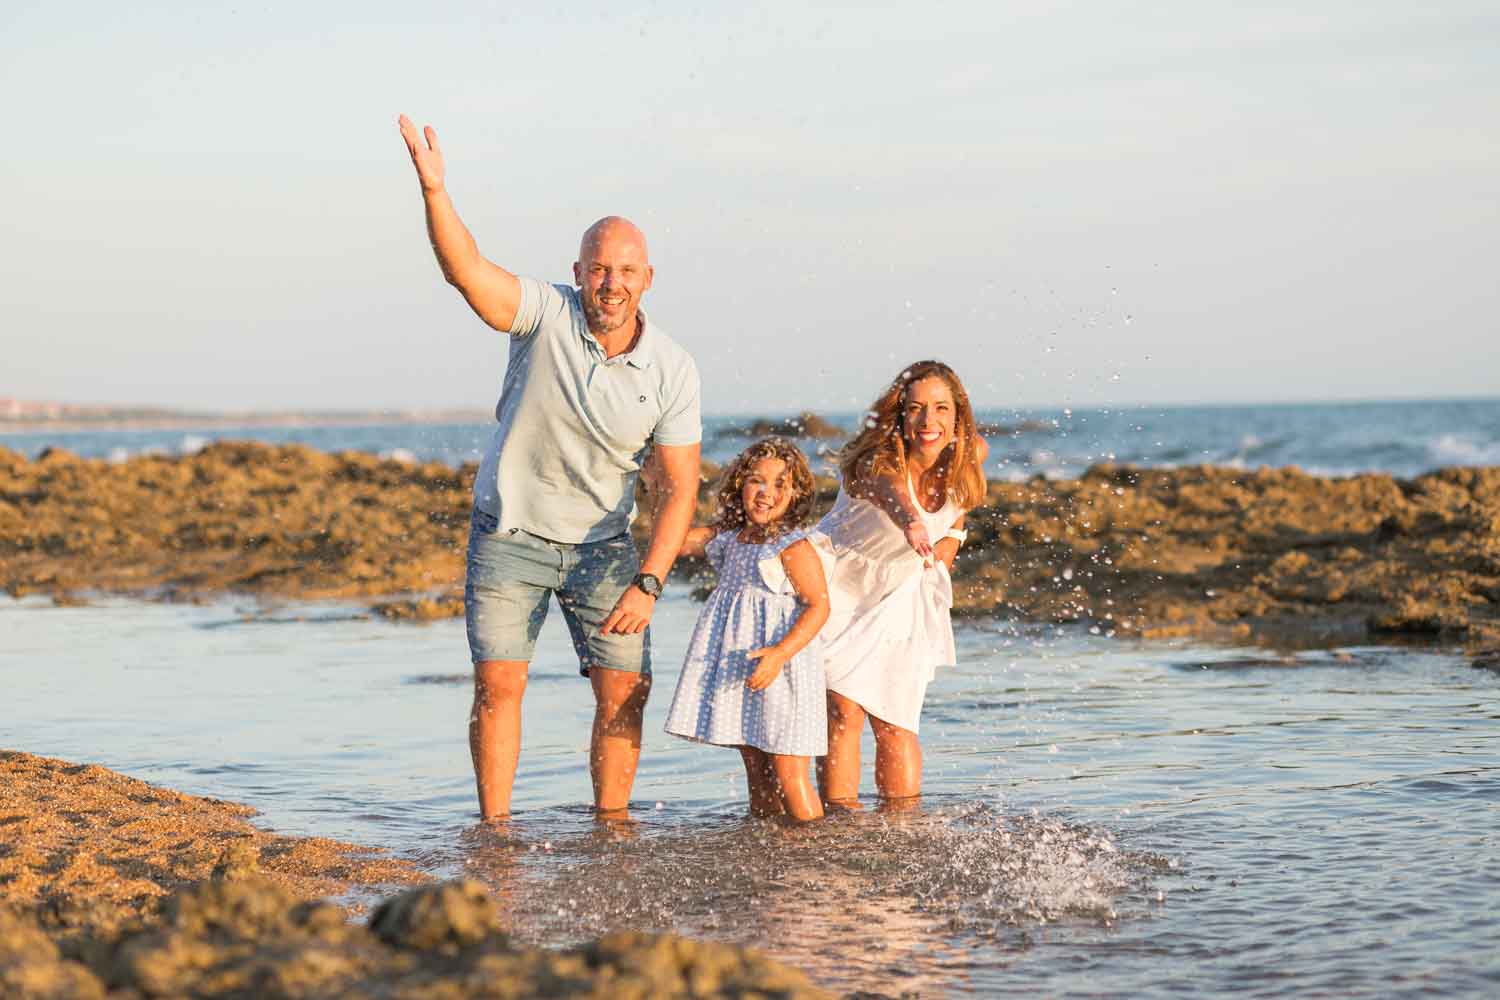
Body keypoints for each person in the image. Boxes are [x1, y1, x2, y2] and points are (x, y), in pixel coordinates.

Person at [397, 115, 702, 820]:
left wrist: (649, 584)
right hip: (510, 537)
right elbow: (465, 270)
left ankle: (612, 827)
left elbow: (679, 486)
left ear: (648, 278)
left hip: (604, 550)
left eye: (626, 270)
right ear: (577, 273)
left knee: (626, 691)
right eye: (598, 268)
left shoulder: (674, 368)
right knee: (499, 686)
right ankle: (495, 831)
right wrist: (436, 191)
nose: (611, 282)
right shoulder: (543, 314)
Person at [815, 361, 988, 807]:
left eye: (940, 408)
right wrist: (911, 520)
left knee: (896, 716)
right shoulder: (879, 461)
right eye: (915, 409)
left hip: (903, 589)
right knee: (843, 711)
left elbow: (958, 513)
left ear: (958, 415)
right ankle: (843, 828)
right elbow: (894, 493)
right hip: (838, 584)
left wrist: (939, 567)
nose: (928, 422)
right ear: (899, 415)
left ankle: (905, 830)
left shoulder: (971, 456)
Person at [663, 439, 831, 822]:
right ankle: (764, 843)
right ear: (740, 484)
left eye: (779, 485)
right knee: (756, 765)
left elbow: (819, 606)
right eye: (756, 481)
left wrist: (780, 654)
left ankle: (816, 853)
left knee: (789, 771)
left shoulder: (792, 545)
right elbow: (673, 540)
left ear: (796, 494)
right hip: (745, 668)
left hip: (782, 669)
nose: (765, 493)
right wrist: (668, 487)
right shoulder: (732, 536)